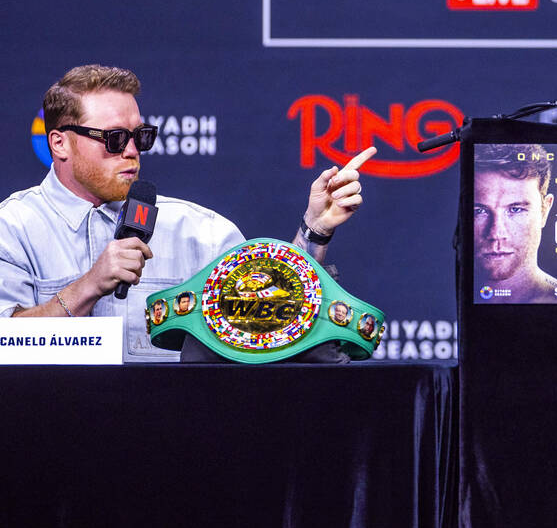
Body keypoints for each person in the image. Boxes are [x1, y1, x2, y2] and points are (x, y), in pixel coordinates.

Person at [0, 65, 376, 362]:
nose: (132, 151)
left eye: (141, 137)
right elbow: (6, 342)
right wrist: (89, 285)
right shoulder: (13, 227)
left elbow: (271, 316)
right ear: (60, 143)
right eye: (115, 139)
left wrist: (314, 230)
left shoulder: (201, 231)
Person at [473, 143, 557, 303]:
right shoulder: (432, 303)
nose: (497, 233)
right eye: (479, 211)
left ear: (544, 210)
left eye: (516, 209)